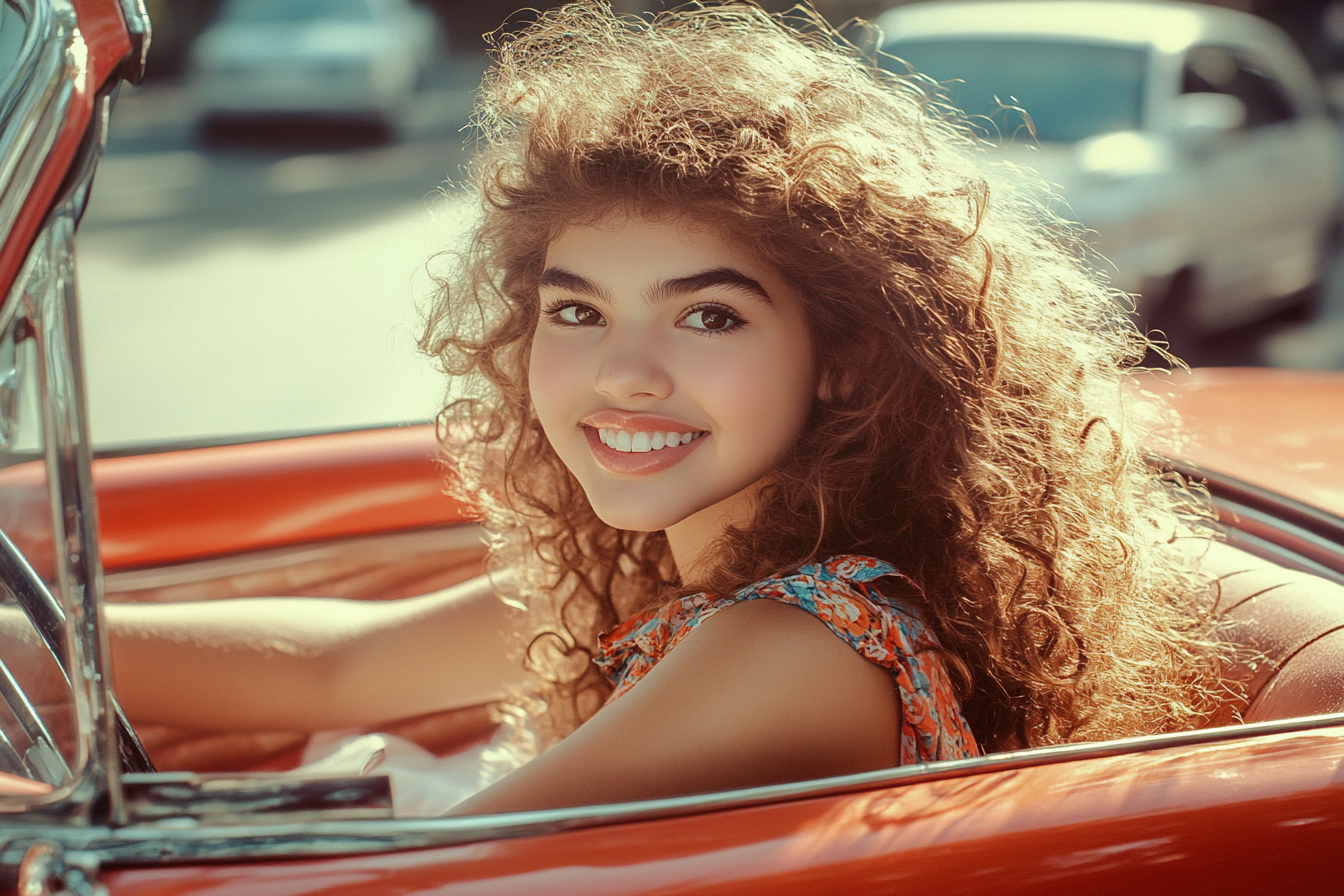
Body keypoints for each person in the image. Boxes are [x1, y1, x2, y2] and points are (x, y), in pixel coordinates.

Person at [105, 1, 1230, 816]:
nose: (622, 376)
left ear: (842, 356)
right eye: (579, 311)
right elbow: (332, 670)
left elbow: (422, 871)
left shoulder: (805, 638)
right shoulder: (683, 562)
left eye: (708, 318)